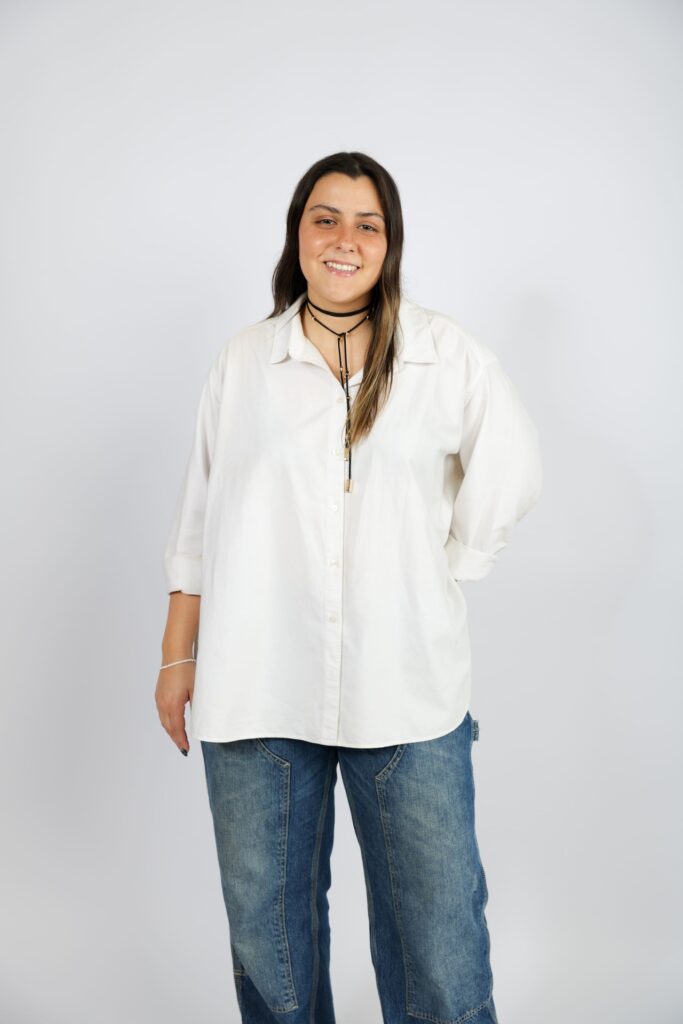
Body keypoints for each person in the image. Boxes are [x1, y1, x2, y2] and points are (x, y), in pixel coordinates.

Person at [155, 151, 542, 1024]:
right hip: (256, 686)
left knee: (440, 952)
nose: (344, 239)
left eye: (368, 224)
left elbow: (511, 468)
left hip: (406, 691)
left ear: (390, 242)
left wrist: (446, 568)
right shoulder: (244, 362)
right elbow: (197, 521)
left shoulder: (444, 355)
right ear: (297, 232)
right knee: (271, 957)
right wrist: (176, 658)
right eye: (325, 218)